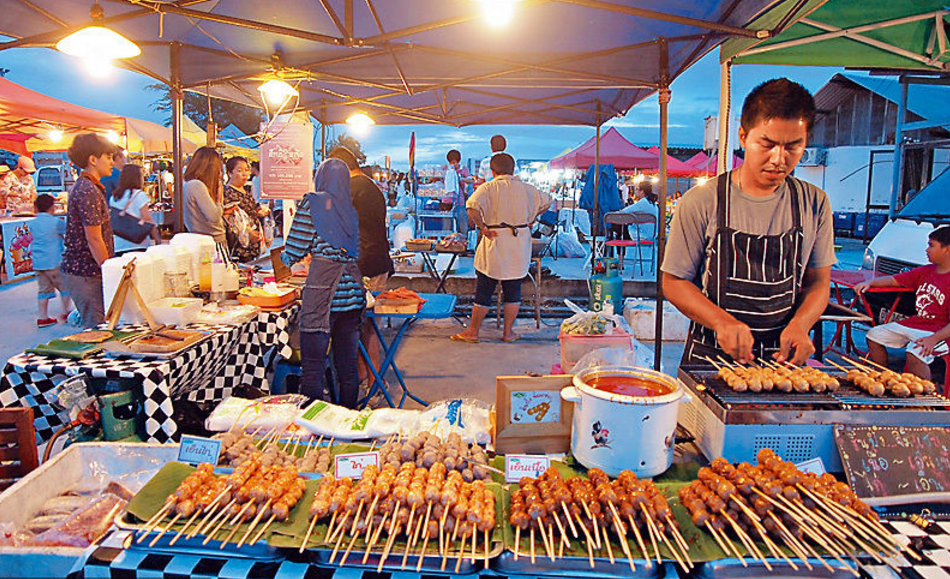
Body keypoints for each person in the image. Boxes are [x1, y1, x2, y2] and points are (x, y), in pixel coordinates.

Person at [663, 78, 835, 365]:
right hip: (710, 359)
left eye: (793, 146)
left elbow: (819, 282)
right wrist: (721, 322)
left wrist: (801, 325)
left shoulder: (814, 202)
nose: (779, 158)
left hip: (785, 362)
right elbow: (674, 281)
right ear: (743, 137)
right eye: (767, 144)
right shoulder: (703, 201)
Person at [281, 158, 364, 407]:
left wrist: (286, 258)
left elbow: (296, 246)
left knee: (313, 368)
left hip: (323, 294)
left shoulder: (313, 203)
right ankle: (347, 418)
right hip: (351, 295)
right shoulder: (349, 209)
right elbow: (354, 250)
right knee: (347, 367)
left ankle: (313, 424)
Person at [452, 153, 552, 343]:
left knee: (485, 288)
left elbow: (471, 206)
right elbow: (548, 201)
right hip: (518, 242)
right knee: (513, 288)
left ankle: (473, 332)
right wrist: (531, 217)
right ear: (513, 169)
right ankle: (508, 333)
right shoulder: (527, 189)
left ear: (492, 171)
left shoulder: (487, 188)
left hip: (495, 239)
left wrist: (483, 227)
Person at [328, 147, 395, 392]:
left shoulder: (352, 188)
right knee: (364, 323)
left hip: (364, 265)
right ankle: (363, 378)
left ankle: (374, 383)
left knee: (363, 325)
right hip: (374, 260)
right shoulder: (369, 186)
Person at [855, 226, 950, 381]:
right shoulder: (926, 271)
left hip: (942, 333)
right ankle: (884, 377)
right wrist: (871, 283)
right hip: (918, 324)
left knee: (915, 352)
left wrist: (933, 339)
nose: (927, 250)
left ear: (947, 249)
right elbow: (894, 280)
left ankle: (924, 394)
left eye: (931, 245)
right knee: (874, 335)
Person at [60, 133, 116, 328]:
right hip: (84, 272)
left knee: (99, 324)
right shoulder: (87, 190)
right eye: (108, 157)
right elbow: (94, 238)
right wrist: (111, 271)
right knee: (96, 328)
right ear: (93, 159)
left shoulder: (90, 187)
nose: (112, 162)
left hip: (87, 271)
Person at [30, 194, 72, 327]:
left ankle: (43, 317)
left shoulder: (33, 223)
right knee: (64, 287)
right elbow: (68, 231)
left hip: (38, 262)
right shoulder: (56, 222)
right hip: (54, 260)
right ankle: (65, 312)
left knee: (43, 290)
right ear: (52, 207)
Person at [223, 156, 269, 262]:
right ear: (230, 173)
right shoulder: (228, 192)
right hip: (240, 246)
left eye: (246, 170)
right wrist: (248, 231)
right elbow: (230, 219)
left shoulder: (245, 191)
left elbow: (252, 209)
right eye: (239, 170)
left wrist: (260, 211)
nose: (245, 174)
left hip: (253, 244)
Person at [109, 164, 161, 252]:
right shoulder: (139, 195)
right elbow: (147, 219)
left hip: (119, 244)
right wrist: (157, 239)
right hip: (138, 243)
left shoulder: (114, 197)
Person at [182, 147, 228, 244]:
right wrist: (219, 198)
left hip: (200, 240)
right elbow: (214, 217)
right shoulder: (197, 185)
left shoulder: (189, 184)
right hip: (211, 241)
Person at [445, 149, 473, 237]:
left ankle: (463, 244)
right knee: (447, 227)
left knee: (462, 226)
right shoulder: (446, 169)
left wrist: (461, 179)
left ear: (458, 161)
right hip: (447, 202)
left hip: (460, 201)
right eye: (450, 162)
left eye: (454, 162)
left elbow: (471, 181)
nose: (452, 164)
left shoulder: (463, 169)